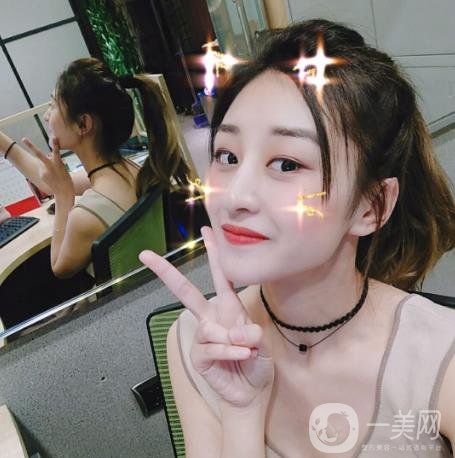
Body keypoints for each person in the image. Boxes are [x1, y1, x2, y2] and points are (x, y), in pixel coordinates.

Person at [140, 20, 455, 457]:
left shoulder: (442, 355)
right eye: (227, 156)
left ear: (371, 206)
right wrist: (242, 409)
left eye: (287, 164)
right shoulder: (198, 338)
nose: (236, 196)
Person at [0, 58, 193, 279]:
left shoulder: (84, 218)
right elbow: (48, 183)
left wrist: (63, 196)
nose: (46, 116)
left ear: (83, 124)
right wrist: (4, 143)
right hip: (151, 286)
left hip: (122, 300)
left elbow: (59, 267)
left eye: (52, 106)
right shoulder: (128, 169)